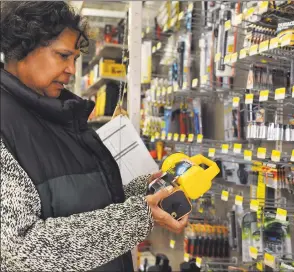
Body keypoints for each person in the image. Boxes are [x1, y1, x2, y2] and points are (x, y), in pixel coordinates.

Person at [0, 2, 188, 271]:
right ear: (23, 48)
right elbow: (20, 250)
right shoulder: (7, 123)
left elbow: (72, 200)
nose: (72, 70)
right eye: (63, 56)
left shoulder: (59, 115)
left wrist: (141, 192)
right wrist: (138, 216)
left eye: (75, 58)